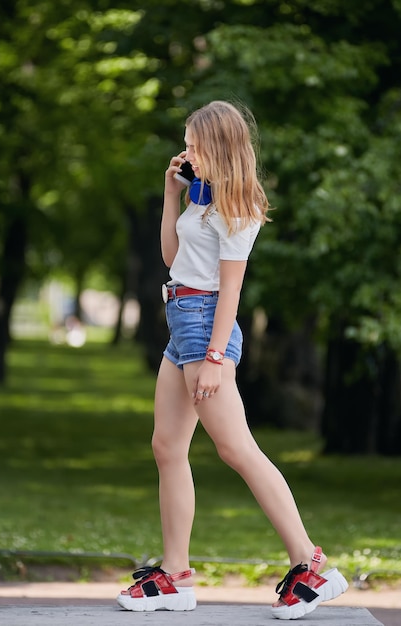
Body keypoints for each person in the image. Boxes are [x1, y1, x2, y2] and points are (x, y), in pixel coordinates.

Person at [116, 100, 348, 619]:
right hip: (182, 324)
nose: (187, 151)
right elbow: (172, 259)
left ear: (217, 145)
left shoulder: (238, 206)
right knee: (167, 446)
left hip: (204, 328)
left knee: (237, 448)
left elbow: (231, 288)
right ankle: (175, 575)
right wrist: (170, 196)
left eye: (194, 143)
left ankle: (312, 564)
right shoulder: (202, 199)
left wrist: (217, 356)